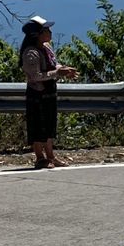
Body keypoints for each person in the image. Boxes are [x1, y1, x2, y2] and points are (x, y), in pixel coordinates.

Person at [21, 16, 77, 169]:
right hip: (37, 94)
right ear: (37, 34)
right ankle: (40, 157)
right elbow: (35, 76)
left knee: (49, 125)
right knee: (38, 126)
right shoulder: (31, 52)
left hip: (49, 94)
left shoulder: (46, 47)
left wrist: (62, 69)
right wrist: (58, 73)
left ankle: (51, 156)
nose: (50, 32)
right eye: (46, 30)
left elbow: (53, 64)